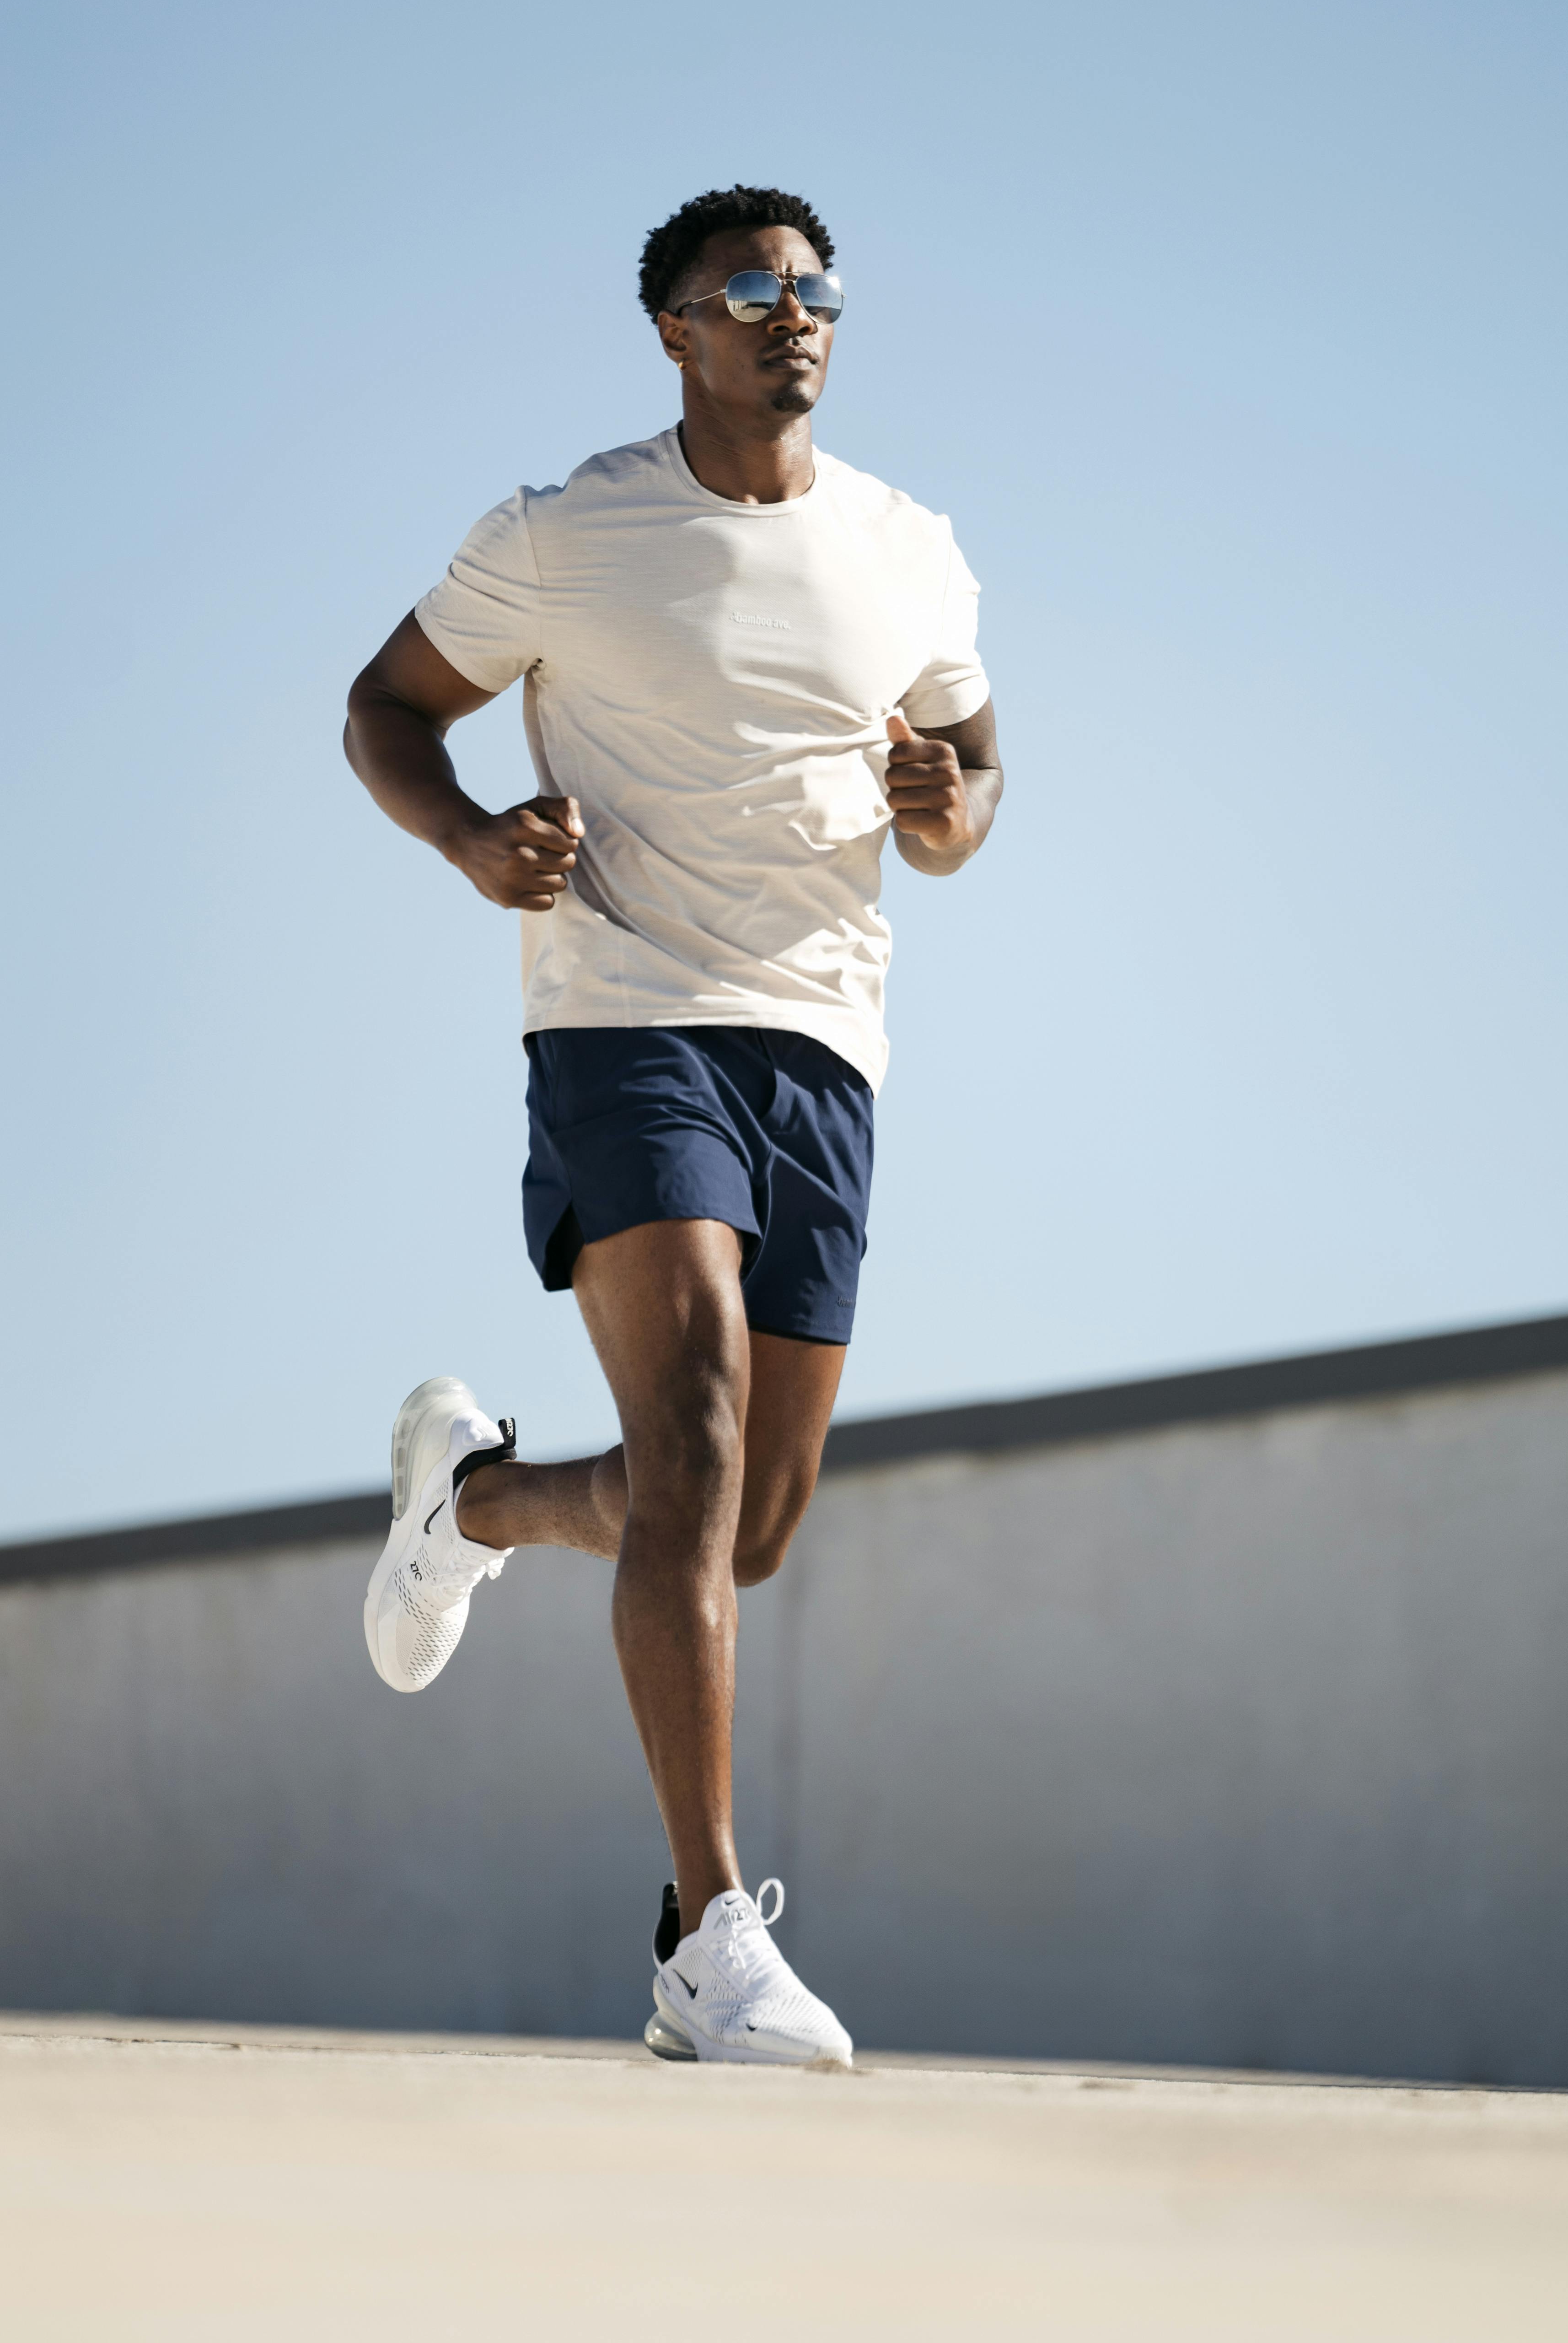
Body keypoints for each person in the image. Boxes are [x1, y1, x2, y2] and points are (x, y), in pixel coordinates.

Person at [343, 184, 1001, 2068]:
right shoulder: (566, 533)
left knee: (744, 1525)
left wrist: (941, 800)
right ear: (673, 332)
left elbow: (973, 783)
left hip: (826, 1044)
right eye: (746, 287)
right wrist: (476, 840)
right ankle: (706, 1938)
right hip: (626, 1017)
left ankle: (467, 1506)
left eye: (814, 285)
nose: (791, 311)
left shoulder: (911, 552)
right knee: (694, 1412)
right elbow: (386, 706)